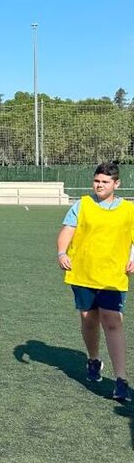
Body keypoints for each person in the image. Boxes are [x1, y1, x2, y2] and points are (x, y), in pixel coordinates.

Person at [57, 160, 134, 402]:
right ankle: (93, 359)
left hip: (113, 276)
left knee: (113, 321)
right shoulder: (82, 205)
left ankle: (121, 380)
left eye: (105, 182)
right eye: (96, 181)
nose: (99, 185)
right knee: (88, 320)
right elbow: (67, 231)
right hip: (83, 273)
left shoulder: (129, 210)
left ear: (116, 183)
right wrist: (62, 253)